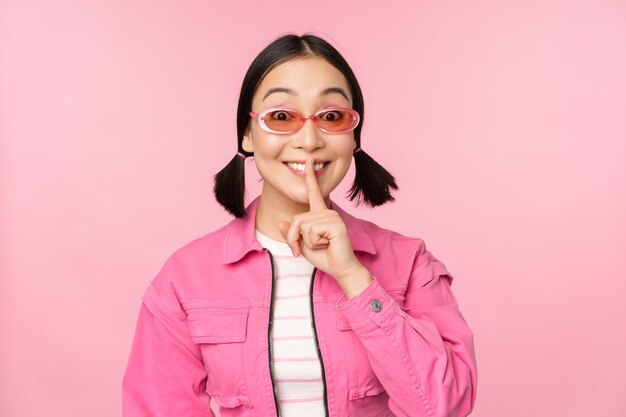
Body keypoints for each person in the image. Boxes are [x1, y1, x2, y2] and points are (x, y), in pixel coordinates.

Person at [122, 33, 478, 417]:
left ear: (353, 134)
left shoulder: (409, 263)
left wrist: (352, 276)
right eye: (281, 116)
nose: (308, 140)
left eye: (331, 117)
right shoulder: (185, 278)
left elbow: (444, 406)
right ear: (247, 133)